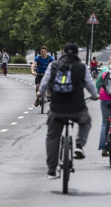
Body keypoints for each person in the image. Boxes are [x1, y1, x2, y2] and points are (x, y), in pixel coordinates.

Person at [38, 43, 98, 179]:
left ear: (63, 53)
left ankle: (52, 171)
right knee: (86, 122)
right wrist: (94, 96)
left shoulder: (53, 66)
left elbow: (44, 84)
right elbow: (91, 86)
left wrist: (39, 93)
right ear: (77, 54)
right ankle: (79, 145)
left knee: (52, 136)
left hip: (56, 108)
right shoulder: (82, 67)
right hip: (77, 108)